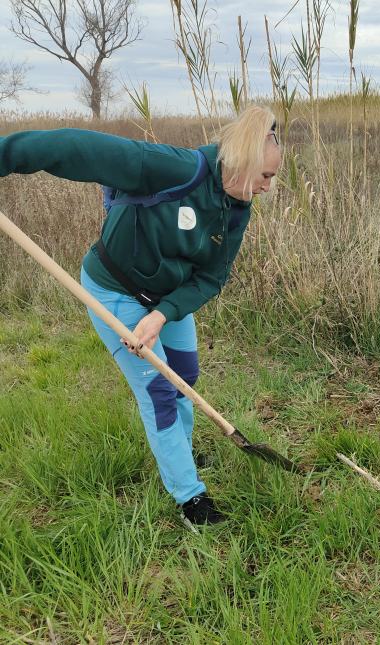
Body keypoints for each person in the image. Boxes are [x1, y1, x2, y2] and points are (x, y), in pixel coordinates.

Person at [0, 106, 283, 528]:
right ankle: (191, 499)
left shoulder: (237, 208)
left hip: (165, 298)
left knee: (185, 375)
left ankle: (178, 452)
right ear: (241, 162)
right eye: (266, 176)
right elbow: (77, 148)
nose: (268, 187)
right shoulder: (174, 169)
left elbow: (211, 277)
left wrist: (162, 315)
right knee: (161, 393)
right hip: (115, 291)